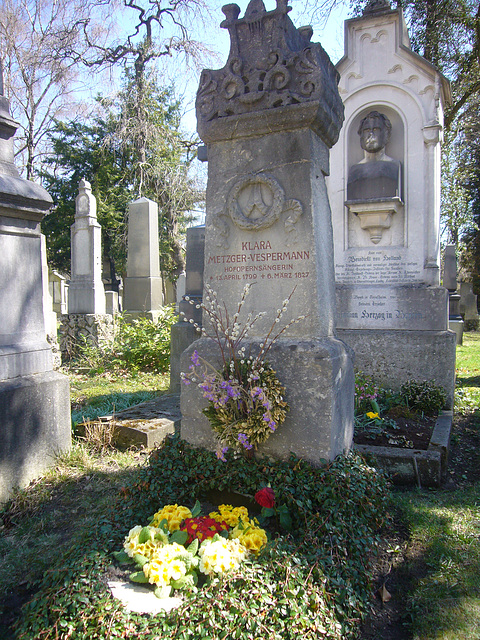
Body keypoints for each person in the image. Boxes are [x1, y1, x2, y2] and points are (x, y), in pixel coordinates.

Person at [347, 110, 401, 201]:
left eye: (376, 130)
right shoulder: (354, 170)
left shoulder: (394, 166)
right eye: (367, 130)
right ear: (361, 135)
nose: (371, 135)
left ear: (386, 134)